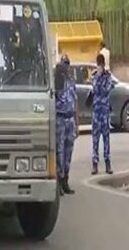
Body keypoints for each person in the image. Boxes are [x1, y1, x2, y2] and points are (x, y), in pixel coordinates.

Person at [54, 55, 78, 195]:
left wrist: (77, 123)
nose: (66, 67)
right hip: (60, 119)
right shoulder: (57, 82)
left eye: (67, 64)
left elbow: (75, 102)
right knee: (59, 152)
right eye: (64, 64)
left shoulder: (71, 81)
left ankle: (65, 181)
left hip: (69, 120)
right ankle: (59, 181)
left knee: (68, 152)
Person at [91, 53, 116, 175]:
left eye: (101, 64)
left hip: (105, 111)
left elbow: (106, 90)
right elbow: (95, 89)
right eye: (99, 64)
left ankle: (107, 163)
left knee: (106, 138)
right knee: (95, 139)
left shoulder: (108, 77)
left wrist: (102, 77)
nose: (100, 66)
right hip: (96, 111)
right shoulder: (95, 76)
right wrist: (98, 76)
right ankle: (95, 163)